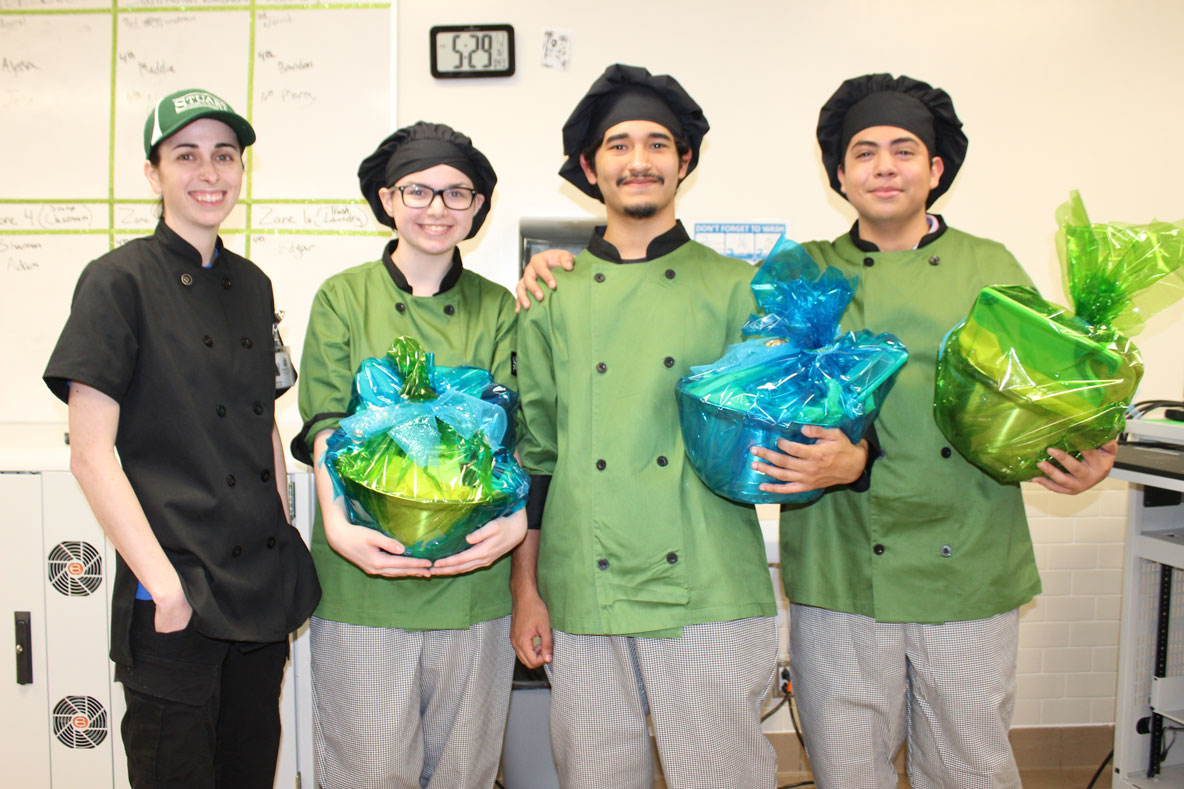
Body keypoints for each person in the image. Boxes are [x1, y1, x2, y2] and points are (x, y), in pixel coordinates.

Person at [756, 73, 1116, 788]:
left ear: (936, 168)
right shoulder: (804, 274)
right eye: (864, 152)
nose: (884, 166)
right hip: (841, 566)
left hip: (969, 561)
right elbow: (765, 395)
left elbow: (1050, 392)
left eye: (903, 150)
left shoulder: (991, 267)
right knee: (847, 765)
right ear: (839, 173)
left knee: (969, 765)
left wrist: (1092, 444)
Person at [510, 63, 780, 789]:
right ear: (590, 166)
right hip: (583, 584)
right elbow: (536, 457)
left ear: (683, 161)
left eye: (657, 143)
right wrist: (526, 590)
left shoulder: (737, 285)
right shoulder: (550, 295)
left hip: (706, 583)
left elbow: (772, 435)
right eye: (619, 144)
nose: (639, 160)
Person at [44, 88, 321, 788]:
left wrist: (285, 529)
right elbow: (89, 451)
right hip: (173, 588)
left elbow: (263, 421)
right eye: (187, 155)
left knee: (249, 770)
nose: (210, 172)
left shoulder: (253, 285)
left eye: (225, 156)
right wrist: (161, 583)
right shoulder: (116, 282)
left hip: (258, 590)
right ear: (152, 171)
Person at [294, 121, 525, 789]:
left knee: (465, 770)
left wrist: (512, 527)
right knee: (368, 770)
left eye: (459, 194)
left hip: (473, 576)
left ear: (479, 207)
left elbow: (516, 430)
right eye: (419, 190)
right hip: (362, 573)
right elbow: (327, 422)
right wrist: (336, 524)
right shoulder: (344, 296)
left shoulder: (498, 307)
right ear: (387, 198)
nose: (437, 209)